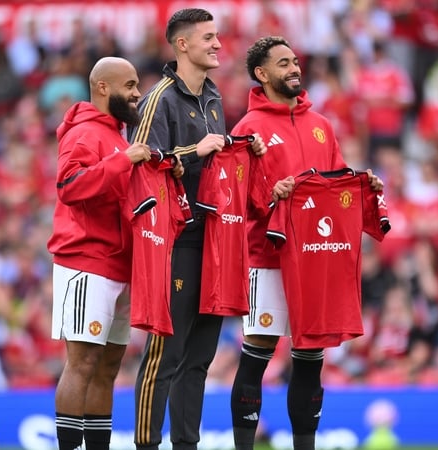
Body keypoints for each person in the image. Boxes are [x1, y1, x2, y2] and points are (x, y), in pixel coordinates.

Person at [228, 36, 383, 450]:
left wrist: (362, 185)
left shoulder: (322, 126)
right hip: (267, 257)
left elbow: (335, 188)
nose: (295, 68)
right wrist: (269, 194)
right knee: (257, 352)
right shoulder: (248, 128)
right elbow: (236, 196)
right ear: (262, 74)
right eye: (284, 63)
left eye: (295, 61)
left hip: (315, 258)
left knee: (310, 359)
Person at [127, 8, 265, 450]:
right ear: (182, 44)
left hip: (214, 237)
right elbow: (139, 162)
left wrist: (242, 148)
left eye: (217, 36)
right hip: (175, 239)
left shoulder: (212, 98)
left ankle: (187, 444)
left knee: (200, 359)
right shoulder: (160, 98)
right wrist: (194, 149)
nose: (217, 44)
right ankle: (146, 445)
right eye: (207, 37)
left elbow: (215, 164)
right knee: (163, 356)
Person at [47, 56, 152, 450]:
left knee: (107, 368)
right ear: (103, 87)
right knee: (82, 363)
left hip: (119, 264)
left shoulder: (118, 136)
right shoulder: (84, 134)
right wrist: (123, 160)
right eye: (130, 85)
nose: (137, 92)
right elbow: (70, 187)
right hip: (86, 261)